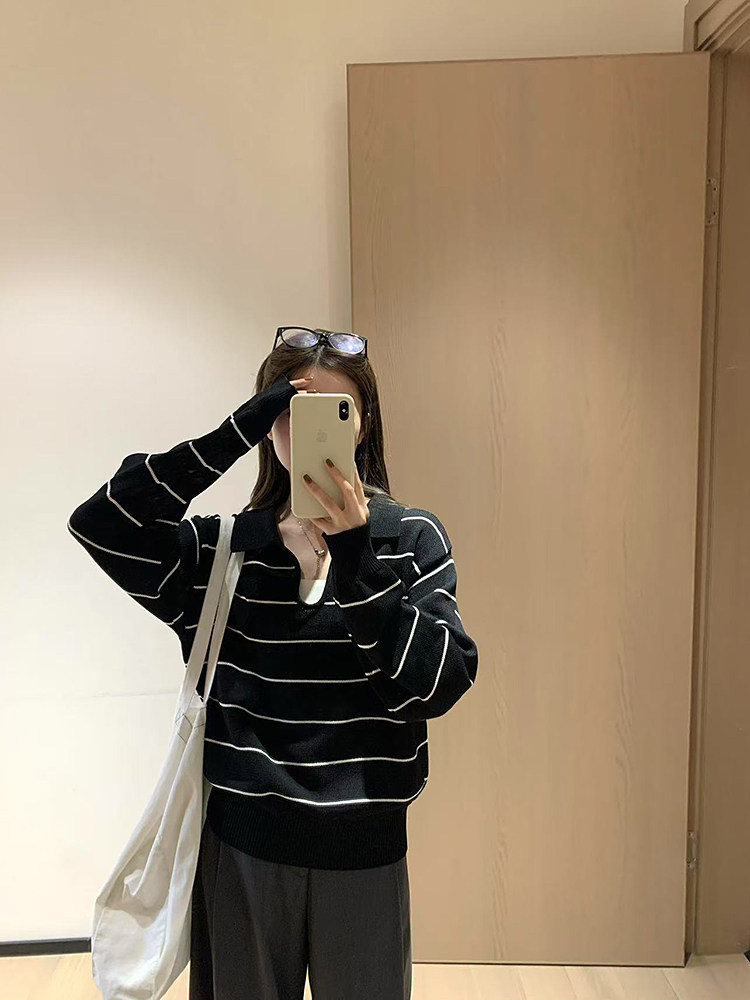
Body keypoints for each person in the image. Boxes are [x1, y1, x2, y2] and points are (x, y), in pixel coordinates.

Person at [68, 326, 479, 1000]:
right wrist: (231, 434)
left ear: (362, 424)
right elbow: (102, 524)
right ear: (266, 425)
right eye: (288, 414)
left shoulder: (409, 540)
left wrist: (355, 557)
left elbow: (439, 683)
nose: (309, 432)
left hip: (366, 854)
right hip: (242, 855)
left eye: (334, 414)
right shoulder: (225, 551)